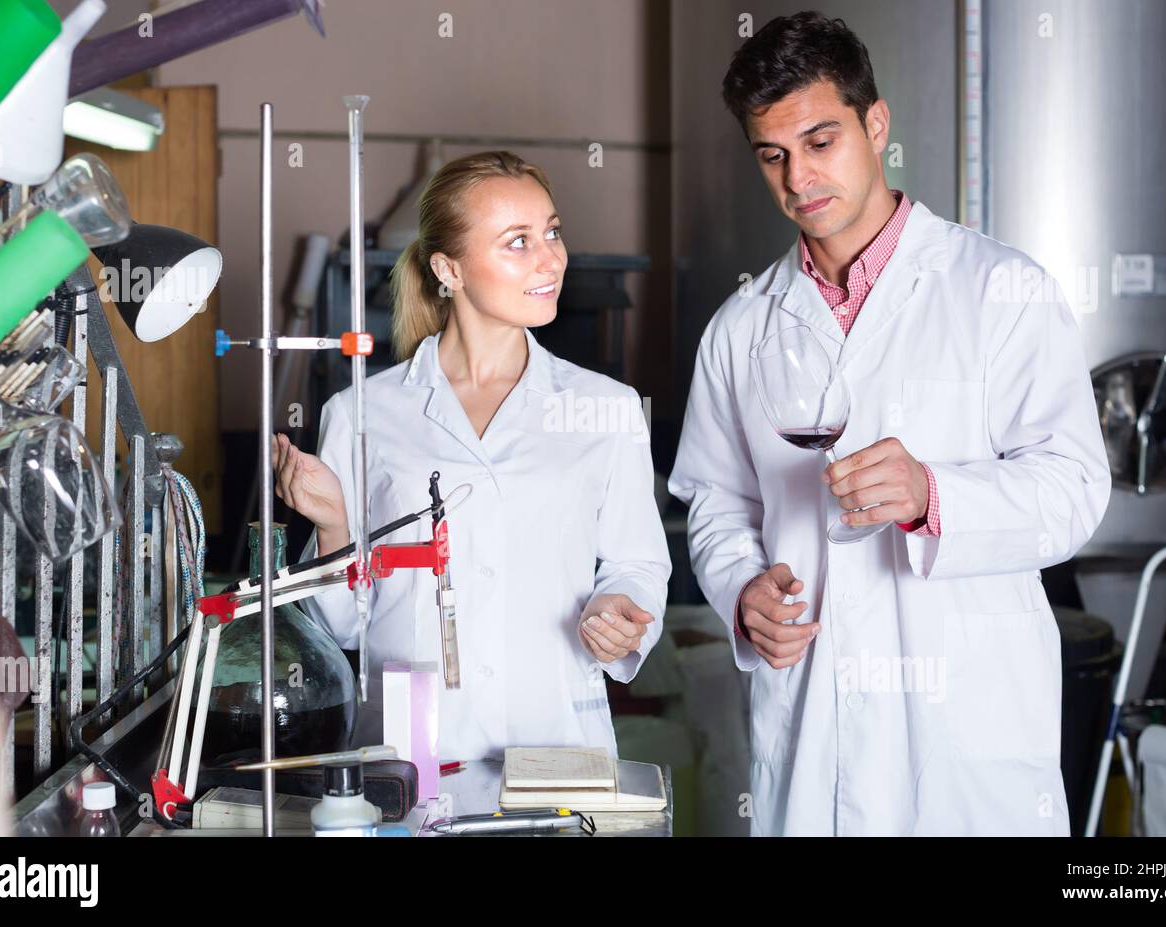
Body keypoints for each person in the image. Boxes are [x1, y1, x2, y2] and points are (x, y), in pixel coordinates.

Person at [668, 11, 1110, 835]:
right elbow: (719, 503)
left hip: (964, 732)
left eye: (822, 141)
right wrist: (741, 592)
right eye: (774, 154)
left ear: (877, 124)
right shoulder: (741, 326)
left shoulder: (1001, 291)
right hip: (812, 735)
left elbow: (1076, 490)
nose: (799, 178)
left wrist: (932, 494)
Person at [274, 150, 670, 763]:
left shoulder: (606, 408)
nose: (551, 258)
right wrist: (333, 527)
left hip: (554, 741)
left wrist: (618, 608)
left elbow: (639, 563)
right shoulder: (361, 414)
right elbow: (342, 627)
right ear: (448, 269)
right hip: (411, 753)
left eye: (552, 232)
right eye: (518, 241)